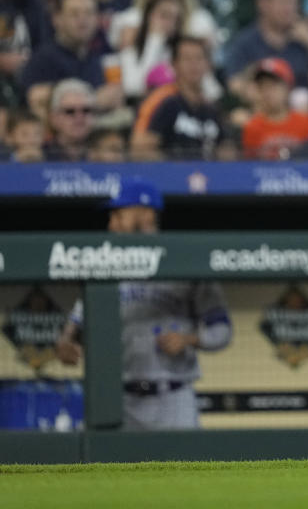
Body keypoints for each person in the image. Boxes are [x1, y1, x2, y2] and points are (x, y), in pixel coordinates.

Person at [54, 179, 232, 430]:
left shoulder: (185, 261)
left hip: (173, 396)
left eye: (118, 215)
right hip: (118, 399)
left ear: (145, 215)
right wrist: (66, 341)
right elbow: (76, 322)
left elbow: (223, 331)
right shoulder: (104, 264)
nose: (111, 224)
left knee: (184, 469)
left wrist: (190, 339)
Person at [131, 36, 230, 160]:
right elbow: (139, 148)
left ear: (207, 64)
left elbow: (225, 150)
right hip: (167, 176)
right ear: (174, 64)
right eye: (187, 59)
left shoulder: (211, 108)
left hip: (205, 175)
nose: (194, 65)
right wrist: (174, 166)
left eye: (199, 58)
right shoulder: (161, 100)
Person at [241, 58, 308, 160]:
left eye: (273, 86)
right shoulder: (252, 127)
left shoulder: (304, 123)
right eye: (262, 86)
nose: (268, 92)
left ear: (287, 87)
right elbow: (249, 167)